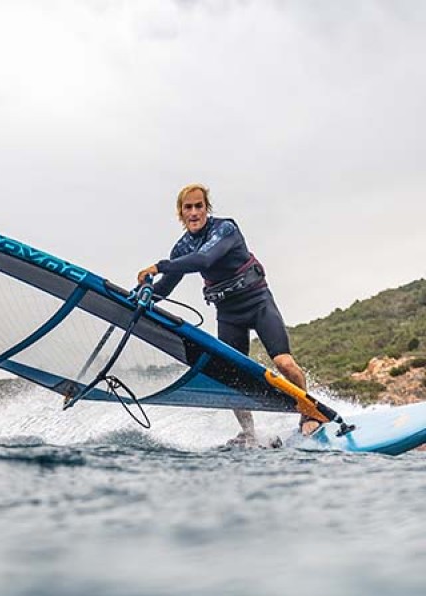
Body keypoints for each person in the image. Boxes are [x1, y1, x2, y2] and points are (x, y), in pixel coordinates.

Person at [137, 183, 320, 444]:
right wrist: (140, 295)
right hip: (228, 314)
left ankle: (309, 413)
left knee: (284, 364)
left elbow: (204, 260)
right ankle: (249, 432)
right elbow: (164, 288)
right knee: (232, 377)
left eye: (199, 206)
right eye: (188, 207)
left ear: (206, 208)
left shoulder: (225, 229)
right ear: (181, 213)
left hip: (257, 303)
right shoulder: (182, 248)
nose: (194, 212)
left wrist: (158, 266)